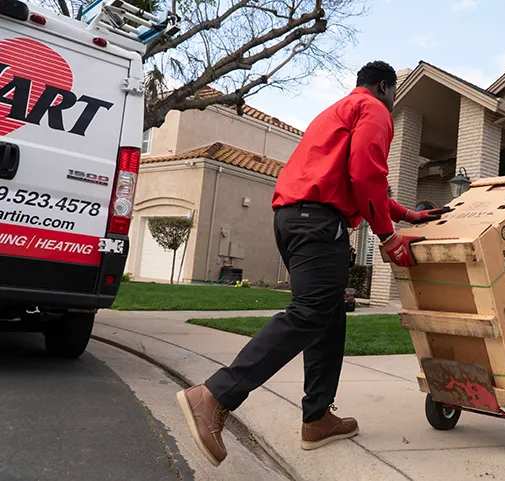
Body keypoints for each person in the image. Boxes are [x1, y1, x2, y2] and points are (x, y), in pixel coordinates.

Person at [175, 61, 446, 467]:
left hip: (294, 218)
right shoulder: (374, 110)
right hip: (319, 221)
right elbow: (366, 174)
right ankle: (214, 395)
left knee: (329, 315)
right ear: (386, 87)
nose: (394, 101)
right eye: (395, 93)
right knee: (312, 311)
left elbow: (352, 178)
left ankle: (317, 417)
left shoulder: (338, 111)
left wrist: (407, 216)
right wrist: (389, 236)